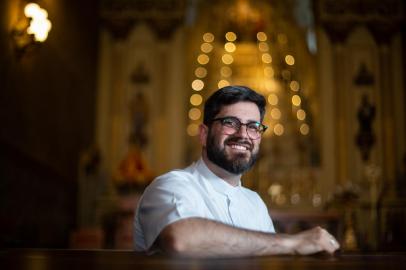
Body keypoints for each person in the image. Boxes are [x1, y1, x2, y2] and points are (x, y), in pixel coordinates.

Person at [133, 86, 340, 257]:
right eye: (230, 123)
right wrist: (292, 242)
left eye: (253, 127)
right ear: (204, 135)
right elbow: (180, 239)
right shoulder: (171, 185)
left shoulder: (255, 203)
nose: (243, 135)